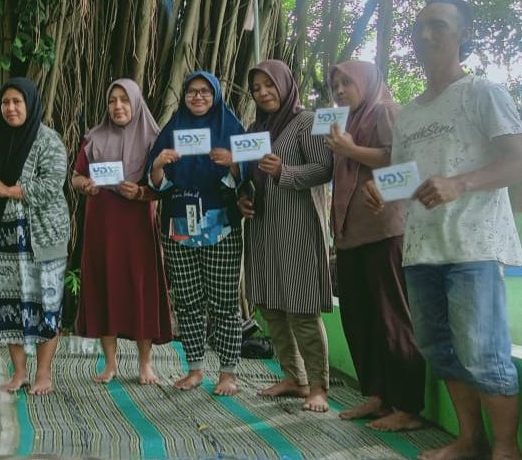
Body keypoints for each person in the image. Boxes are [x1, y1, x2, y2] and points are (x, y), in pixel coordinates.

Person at [365, 0, 522, 460]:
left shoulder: (483, 92)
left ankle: (505, 449)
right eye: (419, 27)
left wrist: (461, 183)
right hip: (422, 249)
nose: (425, 35)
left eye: (438, 25)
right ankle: (469, 439)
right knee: (439, 349)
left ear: (463, 35)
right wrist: (382, 188)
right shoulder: (412, 112)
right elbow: (406, 174)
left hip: (473, 246)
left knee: (484, 354)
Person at [324, 60, 425, 431]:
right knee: (360, 318)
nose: (339, 90)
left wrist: (351, 150)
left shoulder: (385, 110)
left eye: (346, 83)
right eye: (335, 84)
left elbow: (402, 160)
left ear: (366, 82)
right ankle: (378, 397)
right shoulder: (344, 124)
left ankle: (408, 406)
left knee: (392, 317)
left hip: (385, 230)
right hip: (350, 235)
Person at [238, 59, 333, 412]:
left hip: (297, 227)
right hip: (262, 227)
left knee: (302, 308)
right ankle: (294, 377)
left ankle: (318, 386)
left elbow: (325, 168)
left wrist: (285, 171)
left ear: (285, 84)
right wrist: (243, 197)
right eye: (256, 88)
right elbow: (246, 176)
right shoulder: (254, 130)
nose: (262, 93)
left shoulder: (306, 122)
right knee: (271, 305)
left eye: (268, 85)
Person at [144, 71, 246, 394]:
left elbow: (249, 176)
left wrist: (233, 163)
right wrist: (159, 164)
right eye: (191, 91)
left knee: (224, 302)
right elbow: (157, 182)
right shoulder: (173, 129)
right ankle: (195, 369)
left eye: (204, 91)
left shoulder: (229, 128)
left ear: (215, 95)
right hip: (180, 229)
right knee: (187, 301)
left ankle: (228, 372)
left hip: (221, 228)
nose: (198, 97)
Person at [73, 78, 172, 386]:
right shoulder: (94, 138)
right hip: (102, 223)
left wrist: (141, 194)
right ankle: (110, 363)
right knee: (105, 284)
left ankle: (145, 364)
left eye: (124, 100)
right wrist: (85, 185)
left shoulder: (154, 140)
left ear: (136, 103)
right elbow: (76, 176)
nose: (118, 106)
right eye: (112, 100)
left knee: (140, 286)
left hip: (137, 224)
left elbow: (162, 186)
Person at [0, 78, 70, 396]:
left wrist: (6, 189)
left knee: (44, 303)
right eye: (5, 102)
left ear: (30, 104)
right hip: (1, 238)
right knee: (9, 305)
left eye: (17, 102)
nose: (11, 108)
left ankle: (43, 373)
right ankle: (19, 373)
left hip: (41, 237)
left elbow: (51, 186)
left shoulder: (48, 140)